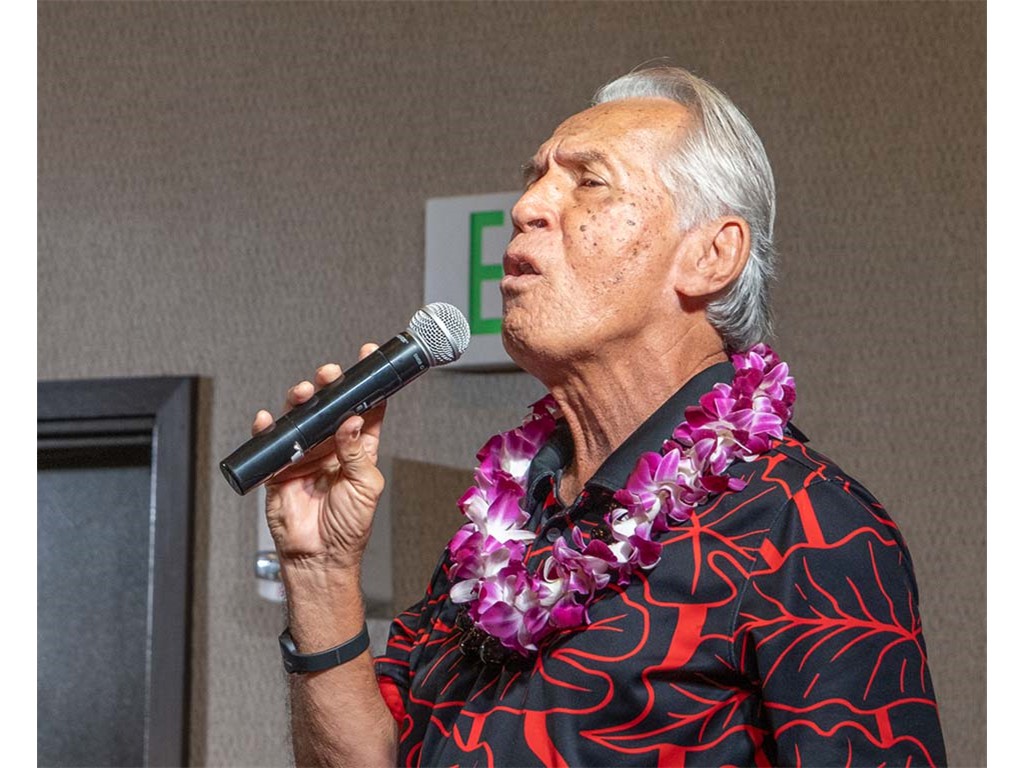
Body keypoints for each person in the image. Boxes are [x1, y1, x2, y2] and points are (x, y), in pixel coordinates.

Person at [252, 66, 947, 766]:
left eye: (588, 181)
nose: (527, 206)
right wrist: (320, 570)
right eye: (534, 179)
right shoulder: (501, 531)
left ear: (712, 256)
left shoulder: (807, 524)